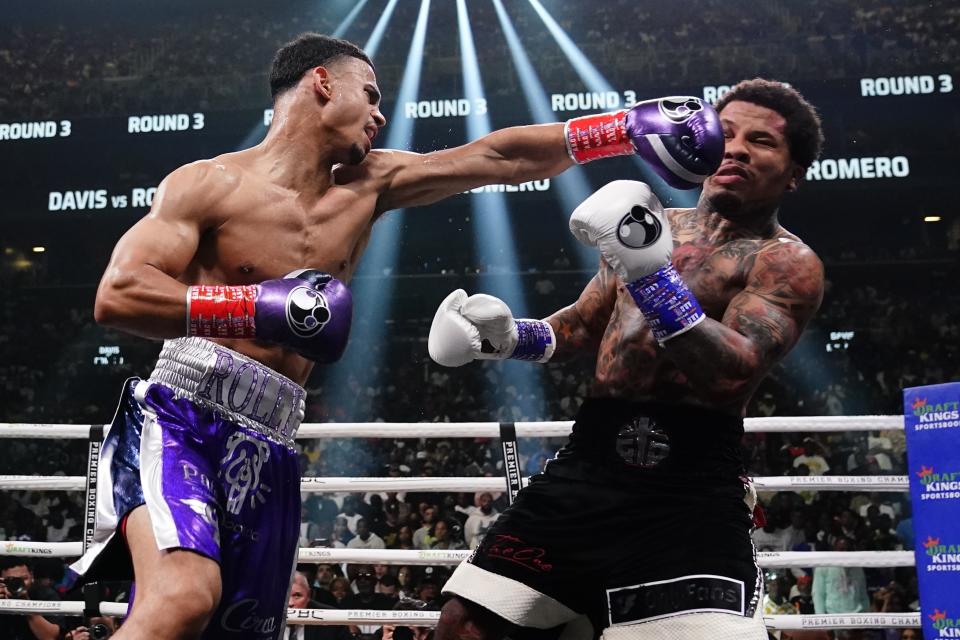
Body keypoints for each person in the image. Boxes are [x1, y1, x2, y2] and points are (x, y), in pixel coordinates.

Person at [68, 30, 721, 640]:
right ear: (322, 83)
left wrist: (620, 129)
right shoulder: (208, 182)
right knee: (182, 599)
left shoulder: (371, 184)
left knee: (236, 627)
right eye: (371, 96)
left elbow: (496, 156)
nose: (380, 115)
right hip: (182, 414)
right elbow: (119, 294)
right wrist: (260, 307)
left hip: (270, 439)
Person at [428, 78, 825, 639]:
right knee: (464, 624)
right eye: (727, 132)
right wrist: (502, 337)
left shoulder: (786, 262)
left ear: (793, 171)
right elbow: (584, 327)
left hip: (687, 487)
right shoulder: (651, 223)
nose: (735, 148)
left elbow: (733, 367)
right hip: (588, 465)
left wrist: (649, 273)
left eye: (761, 141)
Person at [0, 559, 61, 640]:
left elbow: (50, 637)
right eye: (11, 580)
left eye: (24, 579)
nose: (18, 584)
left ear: (31, 576)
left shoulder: (46, 595)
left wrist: (26, 604)